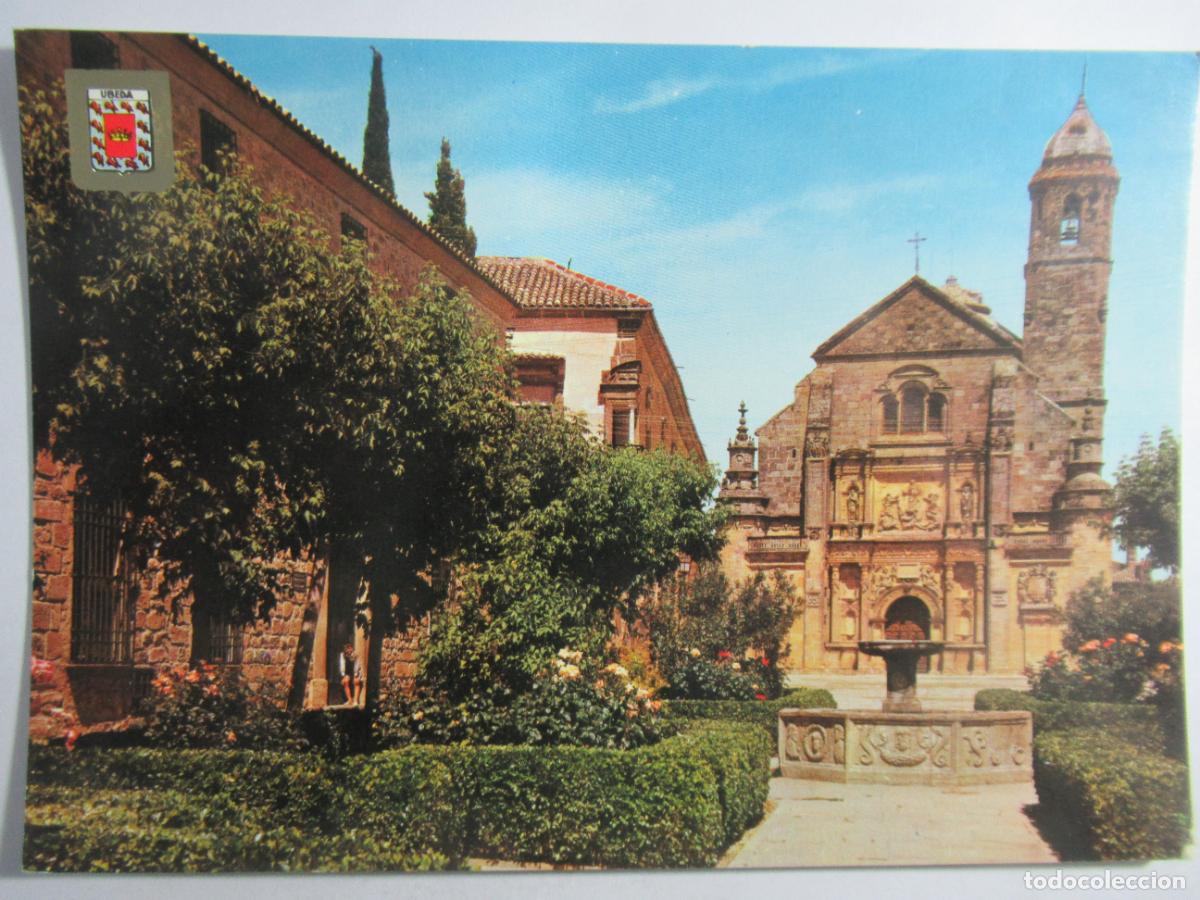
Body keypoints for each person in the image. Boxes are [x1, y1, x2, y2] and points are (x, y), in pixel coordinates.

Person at [339, 642, 364, 707]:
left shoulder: (355, 654)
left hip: (356, 671)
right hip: (348, 672)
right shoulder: (343, 655)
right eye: (347, 649)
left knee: (356, 682)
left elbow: (357, 665)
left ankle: (355, 700)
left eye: (350, 648)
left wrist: (356, 675)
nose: (348, 650)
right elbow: (342, 665)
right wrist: (343, 675)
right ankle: (350, 700)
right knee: (345, 681)